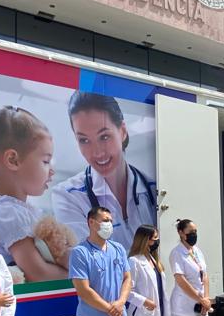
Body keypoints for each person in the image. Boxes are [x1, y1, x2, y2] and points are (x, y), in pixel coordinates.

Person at [0, 105, 68, 282]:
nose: (52, 171)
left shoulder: (16, 210)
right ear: (13, 160)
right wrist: (83, 279)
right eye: (45, 161)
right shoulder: (7, 213)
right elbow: (39, 274)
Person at [54, 92, 157, 252]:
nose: (97, 152)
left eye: (104, 137)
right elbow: (88, 259)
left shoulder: (154, 188)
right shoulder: (67, 196)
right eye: (84, 140)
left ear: (122, 131)